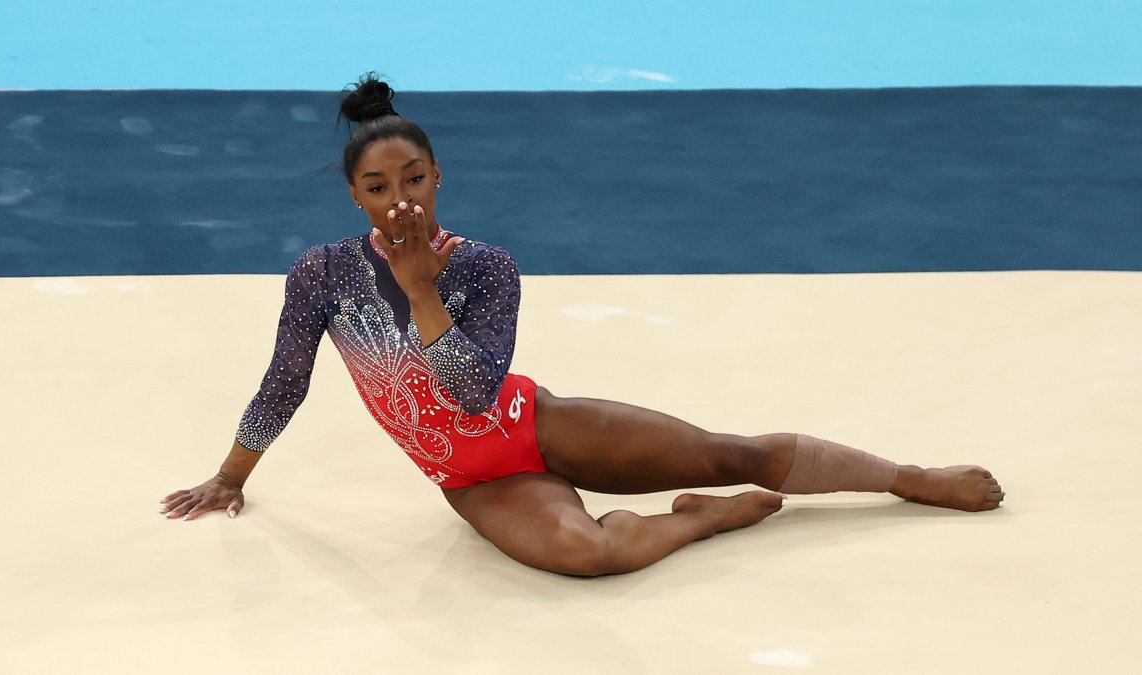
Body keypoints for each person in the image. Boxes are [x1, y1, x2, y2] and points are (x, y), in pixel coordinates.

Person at [160, 74, 1005, 577]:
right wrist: (231, 474)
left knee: (729, 448)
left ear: (438, 174)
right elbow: (286, 380)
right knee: (592, 557)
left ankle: (905, 476)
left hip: (538, 424)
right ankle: (699, 519)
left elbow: (475, 389)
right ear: (355, 197)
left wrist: (423, 293)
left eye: (413, 177)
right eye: (378, 188)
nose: (399, 199)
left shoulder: (487, 265)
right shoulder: (323, 275)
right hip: (475, 478)